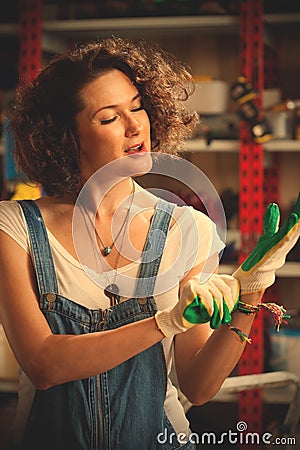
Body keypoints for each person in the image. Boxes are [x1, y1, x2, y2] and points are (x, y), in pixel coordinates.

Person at [0, 36, 298, 450]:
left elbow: (198, 385)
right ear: (66, 136)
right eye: (109, 118)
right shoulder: (14, 227)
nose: (136, 126)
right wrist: (165, 321)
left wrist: (251, 290)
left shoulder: (185, 228)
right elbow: (44, 363)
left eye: (137, 106)